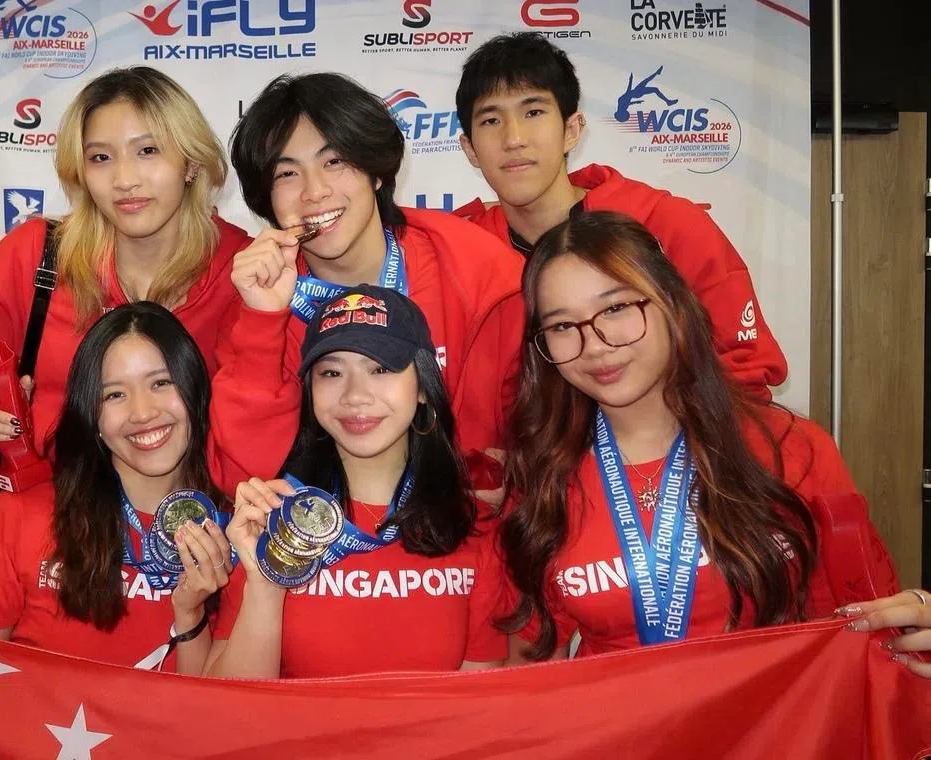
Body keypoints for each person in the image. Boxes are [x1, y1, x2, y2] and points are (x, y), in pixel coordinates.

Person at [498, 211, 897, 661]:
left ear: (672, 303)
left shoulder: (790, 447)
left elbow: (867, 622)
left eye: (616, 308)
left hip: (777, 725)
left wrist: (917, 616)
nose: (595, 344)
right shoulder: (543, 477)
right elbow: (532, 667)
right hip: (618, 728)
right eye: (562, 326)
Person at [208, 72, 525, 494]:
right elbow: (244, 478)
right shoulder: (262, 303)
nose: (314, 192)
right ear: (266, 199)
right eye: (286, 174)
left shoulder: (477, 274)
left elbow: (531, 444)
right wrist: (264, 322)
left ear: (376, 172)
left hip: (462, 541)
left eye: (334, 161)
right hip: (334, 546)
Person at [0, 66, 250, 462]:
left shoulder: (245, 270)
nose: (124, 179)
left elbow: (263, 425)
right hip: (49, 512)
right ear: (81, 173)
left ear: (190, 162)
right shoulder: (32, 256)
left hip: (192, 516)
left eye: (147, 151)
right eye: (101, 158)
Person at [453, 32, 785, 397]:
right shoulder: (461, 253)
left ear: (571, 130)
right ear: (469, 148)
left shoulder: (668, 225)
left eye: (533, 112)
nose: (514, 139)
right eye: (490, 121)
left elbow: (744, 375)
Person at [204, 286, 507, 678]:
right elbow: (227, 715)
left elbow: (479, 711)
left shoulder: (474, 526)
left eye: (380, 369)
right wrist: (266, 583)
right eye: (331, 373)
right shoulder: (274, 521)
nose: (355, 396)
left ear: (423, 389)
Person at [0, 303, 232, 672]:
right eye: (114, 394)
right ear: (91, 414)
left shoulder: (236, 524)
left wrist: (190, 612)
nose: (142, 412)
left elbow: (216, 713)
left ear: (195, 391)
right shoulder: (25, 513)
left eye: (161, 383)